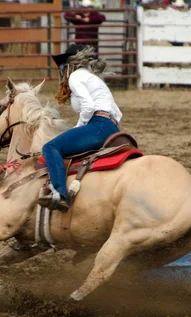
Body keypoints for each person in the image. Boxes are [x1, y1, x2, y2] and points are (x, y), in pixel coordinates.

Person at [38, 44, 122, 212]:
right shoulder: (94, 78)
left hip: (98, 125)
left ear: (69, 64)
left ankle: (60, 193)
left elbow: (89, 107)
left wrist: (78, 127)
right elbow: (118, 113)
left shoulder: (75, 76)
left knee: (50, 147)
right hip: (112, 127)